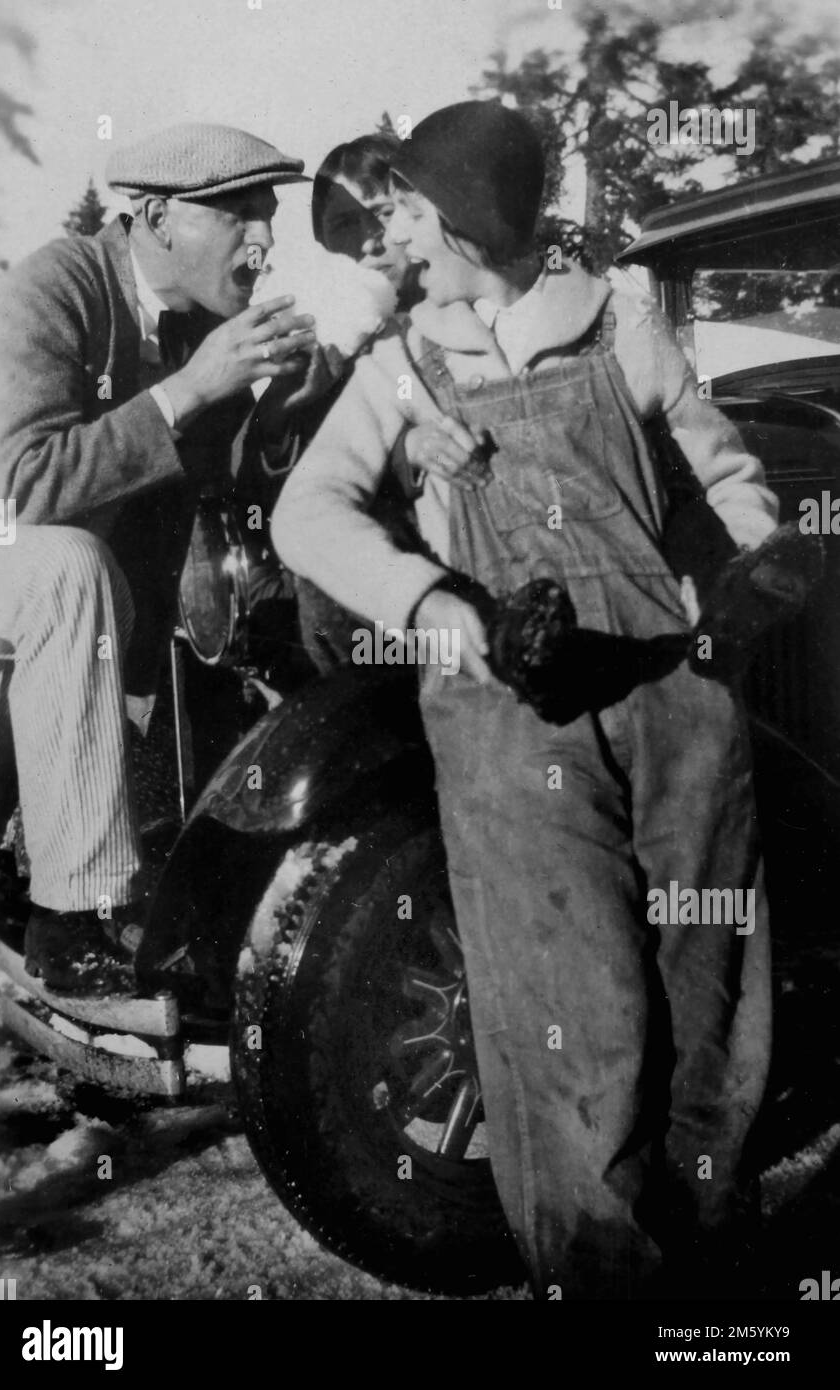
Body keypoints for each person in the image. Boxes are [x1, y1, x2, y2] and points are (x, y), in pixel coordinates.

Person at [271, 100, 779, 1298]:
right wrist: (437, 605)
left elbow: (726, 471)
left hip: (671, 697)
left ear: (462, 223)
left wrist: (754, 569)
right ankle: (601, 1276)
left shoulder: (622, 324)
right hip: (508, 719)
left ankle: (709, 1266)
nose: (394, 231)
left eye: (410, 209)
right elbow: (308, 514)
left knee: (708, 990)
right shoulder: (400, 374)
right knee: (573, 1004)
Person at [0, 122, 317, 995]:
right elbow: (19, 489)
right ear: (158, 218)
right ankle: (72, 918)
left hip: (97, 624)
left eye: (268, 216)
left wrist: (279, 421)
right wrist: (192, 388)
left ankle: (76, 882)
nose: (265, 240)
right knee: (65, 562)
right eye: (239, 214)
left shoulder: (200, 325)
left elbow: (217, 501)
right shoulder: (57, 284)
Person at [245, 131, 488, 672]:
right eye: (342, 226)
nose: (367, 244)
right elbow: (289, 477)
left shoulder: (458, 316)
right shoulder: (333, 334)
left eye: (378, 217)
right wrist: (282, 410)